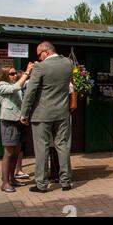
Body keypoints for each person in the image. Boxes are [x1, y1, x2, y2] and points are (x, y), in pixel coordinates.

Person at [20, 41, 74, 193]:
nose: (39, 57)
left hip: (42, 114)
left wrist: (24, 113)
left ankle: (41, 185)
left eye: (39, 54)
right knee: (63, 146)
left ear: (46, 52)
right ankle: (66, 182)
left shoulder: (40, 67)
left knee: (41, 148)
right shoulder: (68, 63)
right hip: (62, 113)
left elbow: (30, 92)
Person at [0, 63, 34, 192]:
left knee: (16, 152)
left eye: (14, 73)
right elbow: (17, 87)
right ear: (4, 76)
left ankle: (12, 179)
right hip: (9, 121)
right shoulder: (1, 85)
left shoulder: (15, 85)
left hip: (19, 122)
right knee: (8, 153)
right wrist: (27, 71)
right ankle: (5, 182)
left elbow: (22, 85)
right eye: (11, 74)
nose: (14, 75)